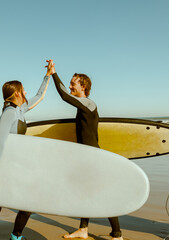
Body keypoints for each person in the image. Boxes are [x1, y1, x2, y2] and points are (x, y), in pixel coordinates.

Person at [45, 59, 123, 240]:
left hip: (93, 156)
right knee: (85, 192)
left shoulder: (89, 103)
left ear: (83, 86)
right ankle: (84, 229)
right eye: (71, 84)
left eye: (73, 84)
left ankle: (117, 234)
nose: (71, 86)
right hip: (85, 156)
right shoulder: (83, 105)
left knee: (101, 193)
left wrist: (54, 73)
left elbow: (64, 96)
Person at [0, 70, 51, 240]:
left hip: (17, 166)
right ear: (17, 93)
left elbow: (39, 96)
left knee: (27, 204)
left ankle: (15, 237)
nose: (26, 92)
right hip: (4, 167)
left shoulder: (20, 110)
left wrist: (48, 75)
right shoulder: (9, 113)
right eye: (23, 90)